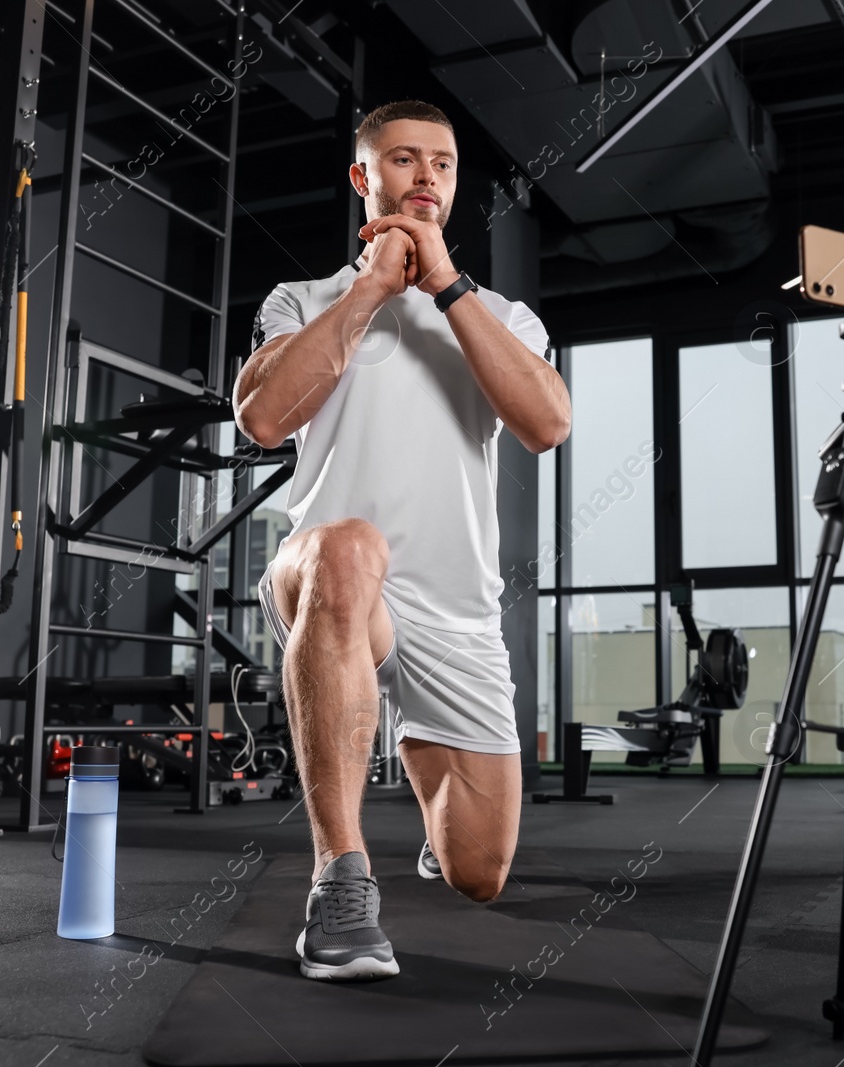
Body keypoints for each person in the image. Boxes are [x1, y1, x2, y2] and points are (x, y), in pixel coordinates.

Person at [232, 99, 571, 981]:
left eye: (444, 164)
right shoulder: (300, 301)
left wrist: (443, 286)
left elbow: (546, 424)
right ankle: (340, 881)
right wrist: (375, 287)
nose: (427, 175)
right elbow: (264, 416)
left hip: (454, 610)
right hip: (331, 574)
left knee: (479, 872)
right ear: (365, 177)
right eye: (406, 159)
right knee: (347, 547)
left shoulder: (501, 314)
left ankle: (422, 783)